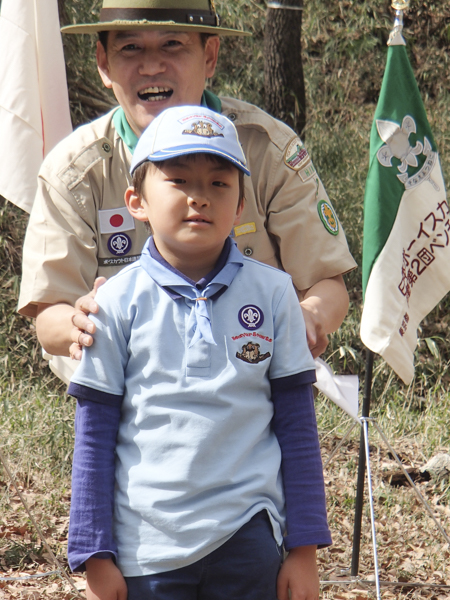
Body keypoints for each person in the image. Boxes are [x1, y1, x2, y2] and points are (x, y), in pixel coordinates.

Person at [67, 104, 331, 600]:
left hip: (250, 539)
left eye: (218, 184)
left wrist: (304, 550)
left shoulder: (276, 296)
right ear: (137, 201)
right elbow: (94, 435)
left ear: (239, 204)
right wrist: (93, 553)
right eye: (179, 181)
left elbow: (297, 430)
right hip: (146, 548)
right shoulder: (114, 302)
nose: (199, 199)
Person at [18, 0, 357, 383]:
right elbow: (50, 314)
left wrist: (308, 316)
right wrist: (78, 325)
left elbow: (327, 283)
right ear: (103, 63)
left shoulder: (266, 150)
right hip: (127, 406)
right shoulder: (75, 173)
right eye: (130, 48)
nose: (150, 66)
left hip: (253, 393)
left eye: (172, 44)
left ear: (209, 56)